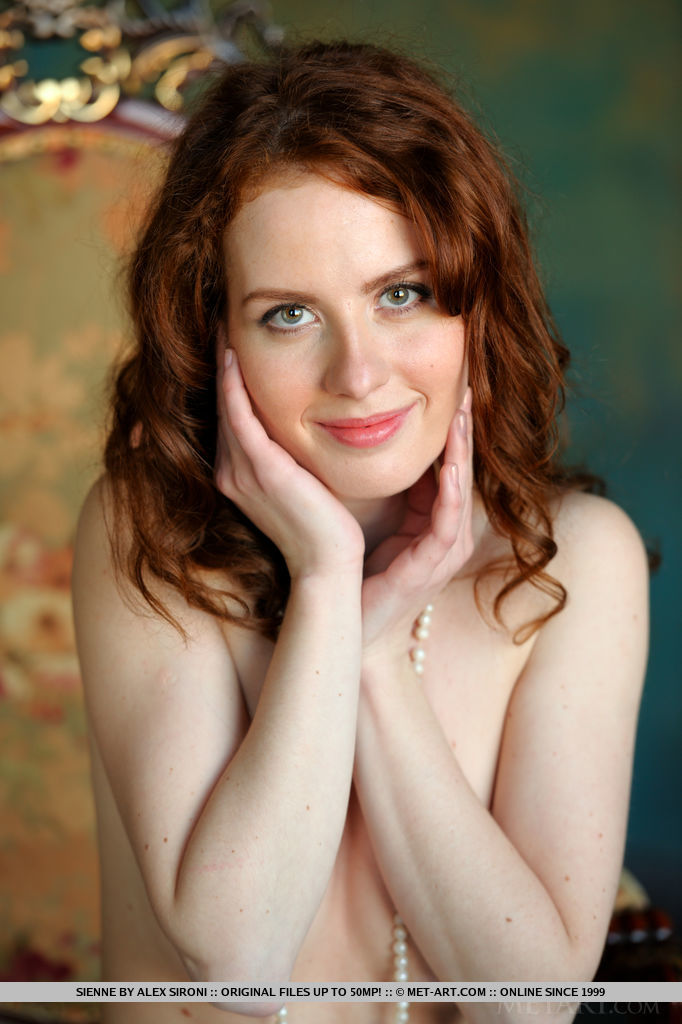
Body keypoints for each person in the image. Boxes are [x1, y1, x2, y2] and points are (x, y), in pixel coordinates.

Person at [71, 41, 649, 1024]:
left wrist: (376, 652)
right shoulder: (145, 530)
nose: (360, 374)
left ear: (476, 299)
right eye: (290, 314)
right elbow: (238, 959)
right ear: (215, 338)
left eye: (401, 293)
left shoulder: (578, 557)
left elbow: (534, 1004)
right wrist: (330, 581)